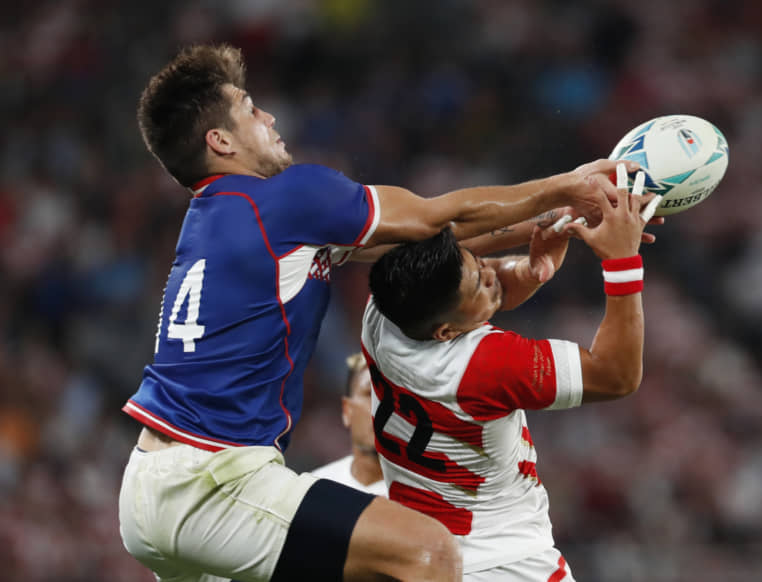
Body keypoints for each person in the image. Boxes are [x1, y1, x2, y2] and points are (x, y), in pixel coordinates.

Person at [117, 43, 639, 582]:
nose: (269, 118)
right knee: (428, 554)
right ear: (220, 141)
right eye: (250, 109)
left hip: (152, 486)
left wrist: (558, 216)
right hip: (211, 481)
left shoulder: (220, 221)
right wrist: (568, 185)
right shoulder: (286, 199)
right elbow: (439, 214)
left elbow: (431, 237)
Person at [362, 170, 655, 581]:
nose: (490, 275)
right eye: (479, 285)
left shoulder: (385, 312)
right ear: (445, 332)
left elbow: (478, 270)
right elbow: (616, 375)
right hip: (508, 564)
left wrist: (552, 229)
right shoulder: (485, 365)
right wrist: (622, 261)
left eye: (478, 264)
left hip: (428, 557)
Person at [311, 353, 386, 496]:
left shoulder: (433, 498)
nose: (380, 407)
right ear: (347, 411)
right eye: (369, 394)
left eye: (389, 395)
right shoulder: (314, 491)